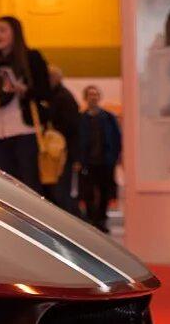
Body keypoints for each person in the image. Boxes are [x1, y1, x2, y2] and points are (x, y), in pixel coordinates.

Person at [0, 15, 50, 193]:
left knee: (28, 185)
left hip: (24, 130)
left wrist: (23, 89)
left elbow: (45, 91)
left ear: (15, 33)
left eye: (2, 30)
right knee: (4, 186)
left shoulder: (31, 58)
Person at [75, 84, 122, 232]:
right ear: (86, 98)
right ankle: (91, 219)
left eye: (95, 95)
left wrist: (116, 157)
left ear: (99, 97)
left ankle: (101, 219)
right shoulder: (81, 119)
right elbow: (77, 140)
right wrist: (78, 160)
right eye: (90, 95)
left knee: (105, 191)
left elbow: (117, 138)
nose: (93, 97)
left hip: (105, 161)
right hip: (87, 162)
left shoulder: (108, 118)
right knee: (87, 192)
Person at [44, 66, 82, 209]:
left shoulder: (62, 97)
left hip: (61, 151)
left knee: (61, 191)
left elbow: (70, 127)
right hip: (63, 150)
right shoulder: (59, 96)